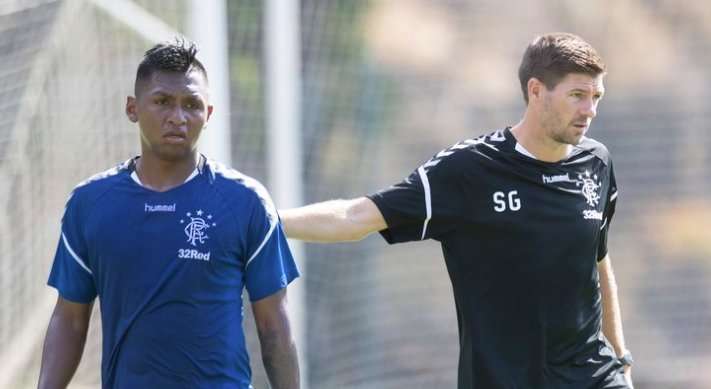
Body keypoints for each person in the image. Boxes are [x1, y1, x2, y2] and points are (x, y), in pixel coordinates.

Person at [281, 33, 633, 389]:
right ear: (536, 90)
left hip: (593, 377)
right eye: (577, 96)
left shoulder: (597, 163)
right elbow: (357, 216)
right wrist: (268, 221)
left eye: (596, 97)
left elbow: (599, 262)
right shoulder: (469, 170)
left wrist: (621, 361)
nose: (590, 110)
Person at [38, 40, 300, 389]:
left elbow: (275, 328)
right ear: (133, 108)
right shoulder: (90, 204)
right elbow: (69, 321)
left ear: (208, 114)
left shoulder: (246, 202)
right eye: (162, 101)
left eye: (191, 105)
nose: (177, 117)